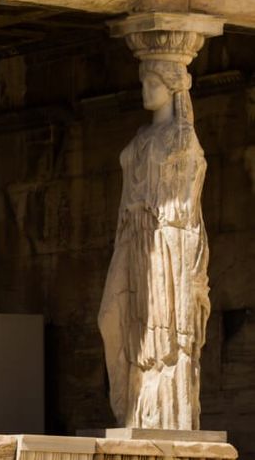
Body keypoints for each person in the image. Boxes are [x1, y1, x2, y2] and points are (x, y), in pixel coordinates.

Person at [98, 60, 210, 430]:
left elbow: (189, 201)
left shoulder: (182, 138)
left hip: (166, 239)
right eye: (144, 82)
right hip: (133, 236)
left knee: (159, 330)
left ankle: (159, 412)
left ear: (172, 87)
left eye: (153, 83)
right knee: (110, 317)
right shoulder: (141, 136)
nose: (145, 90)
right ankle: (128, 403)